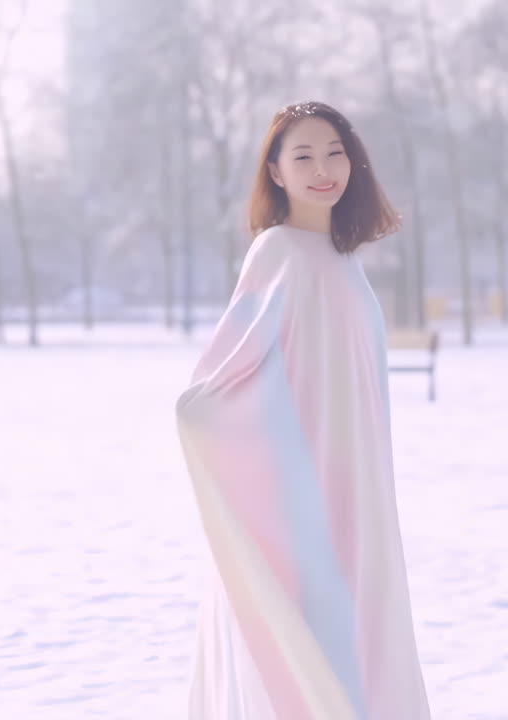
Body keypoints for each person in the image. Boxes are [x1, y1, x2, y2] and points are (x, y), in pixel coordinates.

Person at [175, 101, 432, 719]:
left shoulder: (345, 260)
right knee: (321, 641)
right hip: (308, 501)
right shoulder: (278, 252)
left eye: (335, 153)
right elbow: (223, 378)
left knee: (362, 643)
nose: (324, 169)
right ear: (277, 171)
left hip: (359, 494)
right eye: (304, 156)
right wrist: (238, 445)